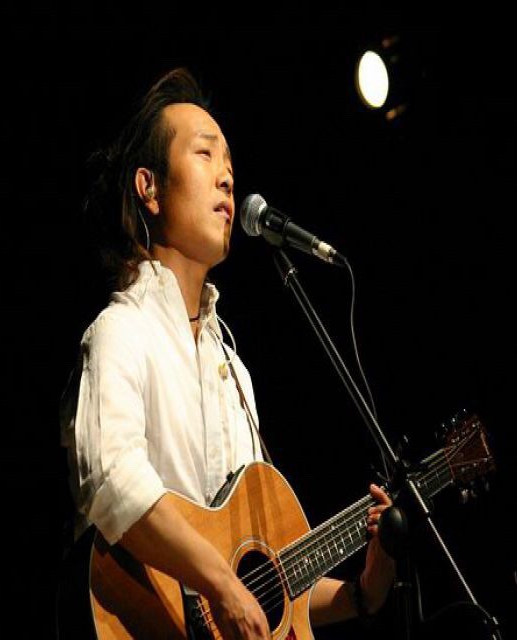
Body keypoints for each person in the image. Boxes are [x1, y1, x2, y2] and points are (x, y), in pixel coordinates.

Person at [59, 67, 395, 639]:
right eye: (205, 154)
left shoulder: (232, 372)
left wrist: (365, 590)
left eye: (230, 165)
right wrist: (219, 582)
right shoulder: (120, 333)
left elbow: (263, 590)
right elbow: (112, 480)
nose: (227, 177)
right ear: (149, 188)